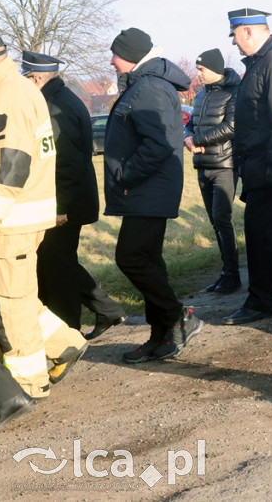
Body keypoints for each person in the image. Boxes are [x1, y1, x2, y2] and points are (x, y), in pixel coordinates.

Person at [104, 28, 204, 362]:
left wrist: (124, 174)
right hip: (146, 189)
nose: (112, 61)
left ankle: (179, 317)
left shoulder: (149, 88)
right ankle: (160, 335)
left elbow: (159, 143)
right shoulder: (143, 84)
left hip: (147, 189)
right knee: (149, 262)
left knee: (130, 258)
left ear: (130, 55)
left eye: (115, 54)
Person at [0, 37, 89, 397]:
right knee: (15, 295)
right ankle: (64, 343)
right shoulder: (14, 88)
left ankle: (28, 384)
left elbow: (12, 166)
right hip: (21, 217)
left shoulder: (10, 95)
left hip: (11, 220)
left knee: (11, 303)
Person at [21, 51, 126, 338]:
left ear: (37, 78)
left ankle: (68, 331)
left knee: (54, 267)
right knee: (59, 261)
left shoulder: (55, 107)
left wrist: (60, 207)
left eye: (26, 78)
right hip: (67, 199)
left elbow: (64, 162)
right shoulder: (62, 99)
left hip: (63, 203)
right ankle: (106, 311)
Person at [227, 8, 272, 325]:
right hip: (258, 170)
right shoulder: (260, 63)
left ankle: (260, 301)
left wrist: (270, 171)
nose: (236, 45)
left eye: (237, 37)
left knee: (261, 237)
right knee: (270, 239)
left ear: (249, 32)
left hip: (269, 172)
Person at [183, 48, 241, 294]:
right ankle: (226, 272)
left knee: (222, 220)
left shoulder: (233, 93)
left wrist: (198, 140)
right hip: (202, 167)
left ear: (215, 69)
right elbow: (190, 125)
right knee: (215, 223)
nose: (198, 74)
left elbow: (232, 126)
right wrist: (187, 137)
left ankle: (233, 275)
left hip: (225, 166)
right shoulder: (200, 96)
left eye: (201, 69)